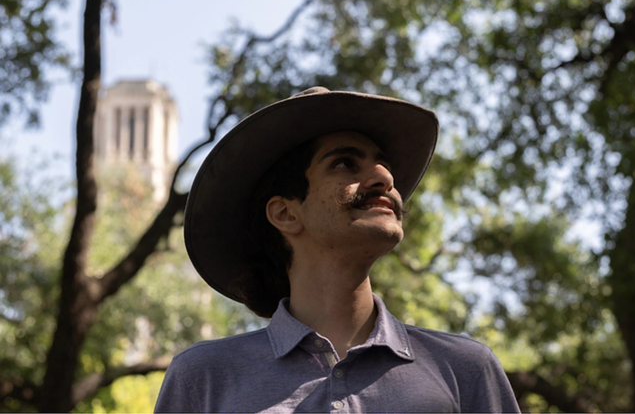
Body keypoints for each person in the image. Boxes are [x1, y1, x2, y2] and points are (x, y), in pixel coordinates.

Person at [154, 87, 521, 413]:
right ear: (285, 213)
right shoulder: (203, 378)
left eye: (385, 165)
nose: (386, 179)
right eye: (345, 163)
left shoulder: (466, 369)